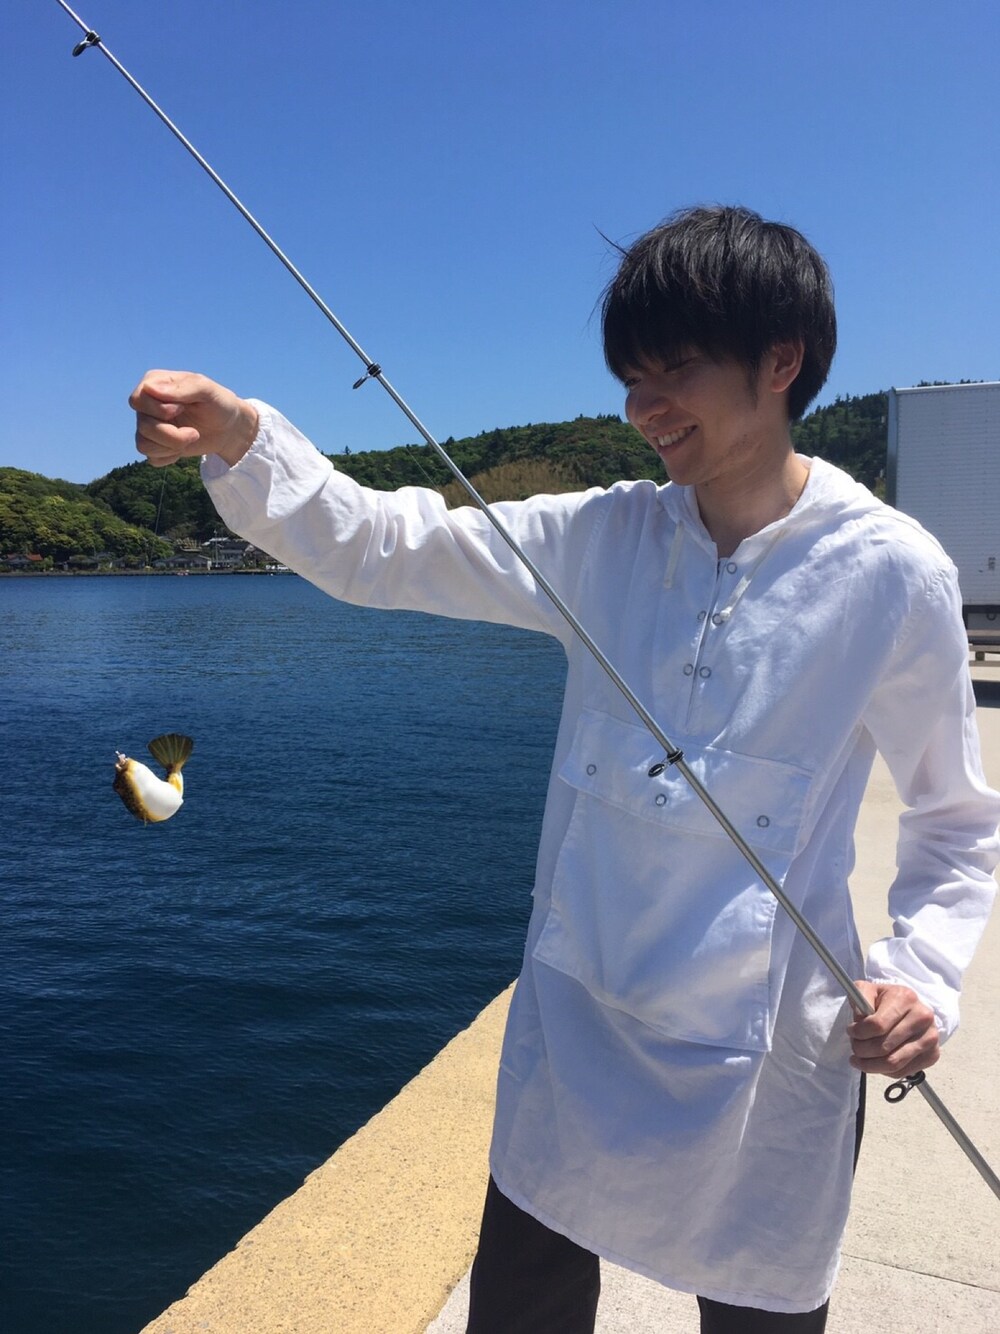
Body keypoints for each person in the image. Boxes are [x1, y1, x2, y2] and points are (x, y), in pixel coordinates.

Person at [130, 205, 999, 1332]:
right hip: (576, 1034)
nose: (644, 408)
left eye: (673, 370)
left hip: (765, 1065)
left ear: (781, 361)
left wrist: (920, 978)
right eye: (631, 378)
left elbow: (953, 817)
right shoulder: (603, 536)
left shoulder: (894, 573)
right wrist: (245, 437)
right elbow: (387, 544)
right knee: (524, 1304)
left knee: (761, 1308)